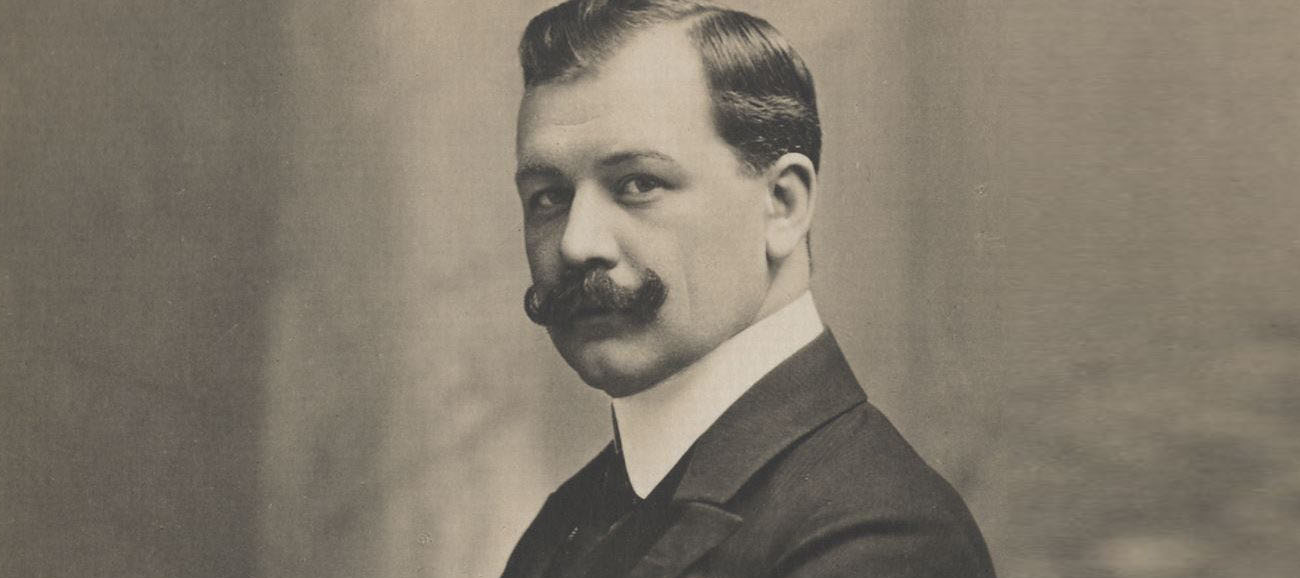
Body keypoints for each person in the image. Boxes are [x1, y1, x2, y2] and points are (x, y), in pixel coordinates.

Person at [504, 1, 995, 576]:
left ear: (782, 204)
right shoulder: (565, 525)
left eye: (638, 183)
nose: (576, 243)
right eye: (548, 197)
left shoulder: (878, 538)